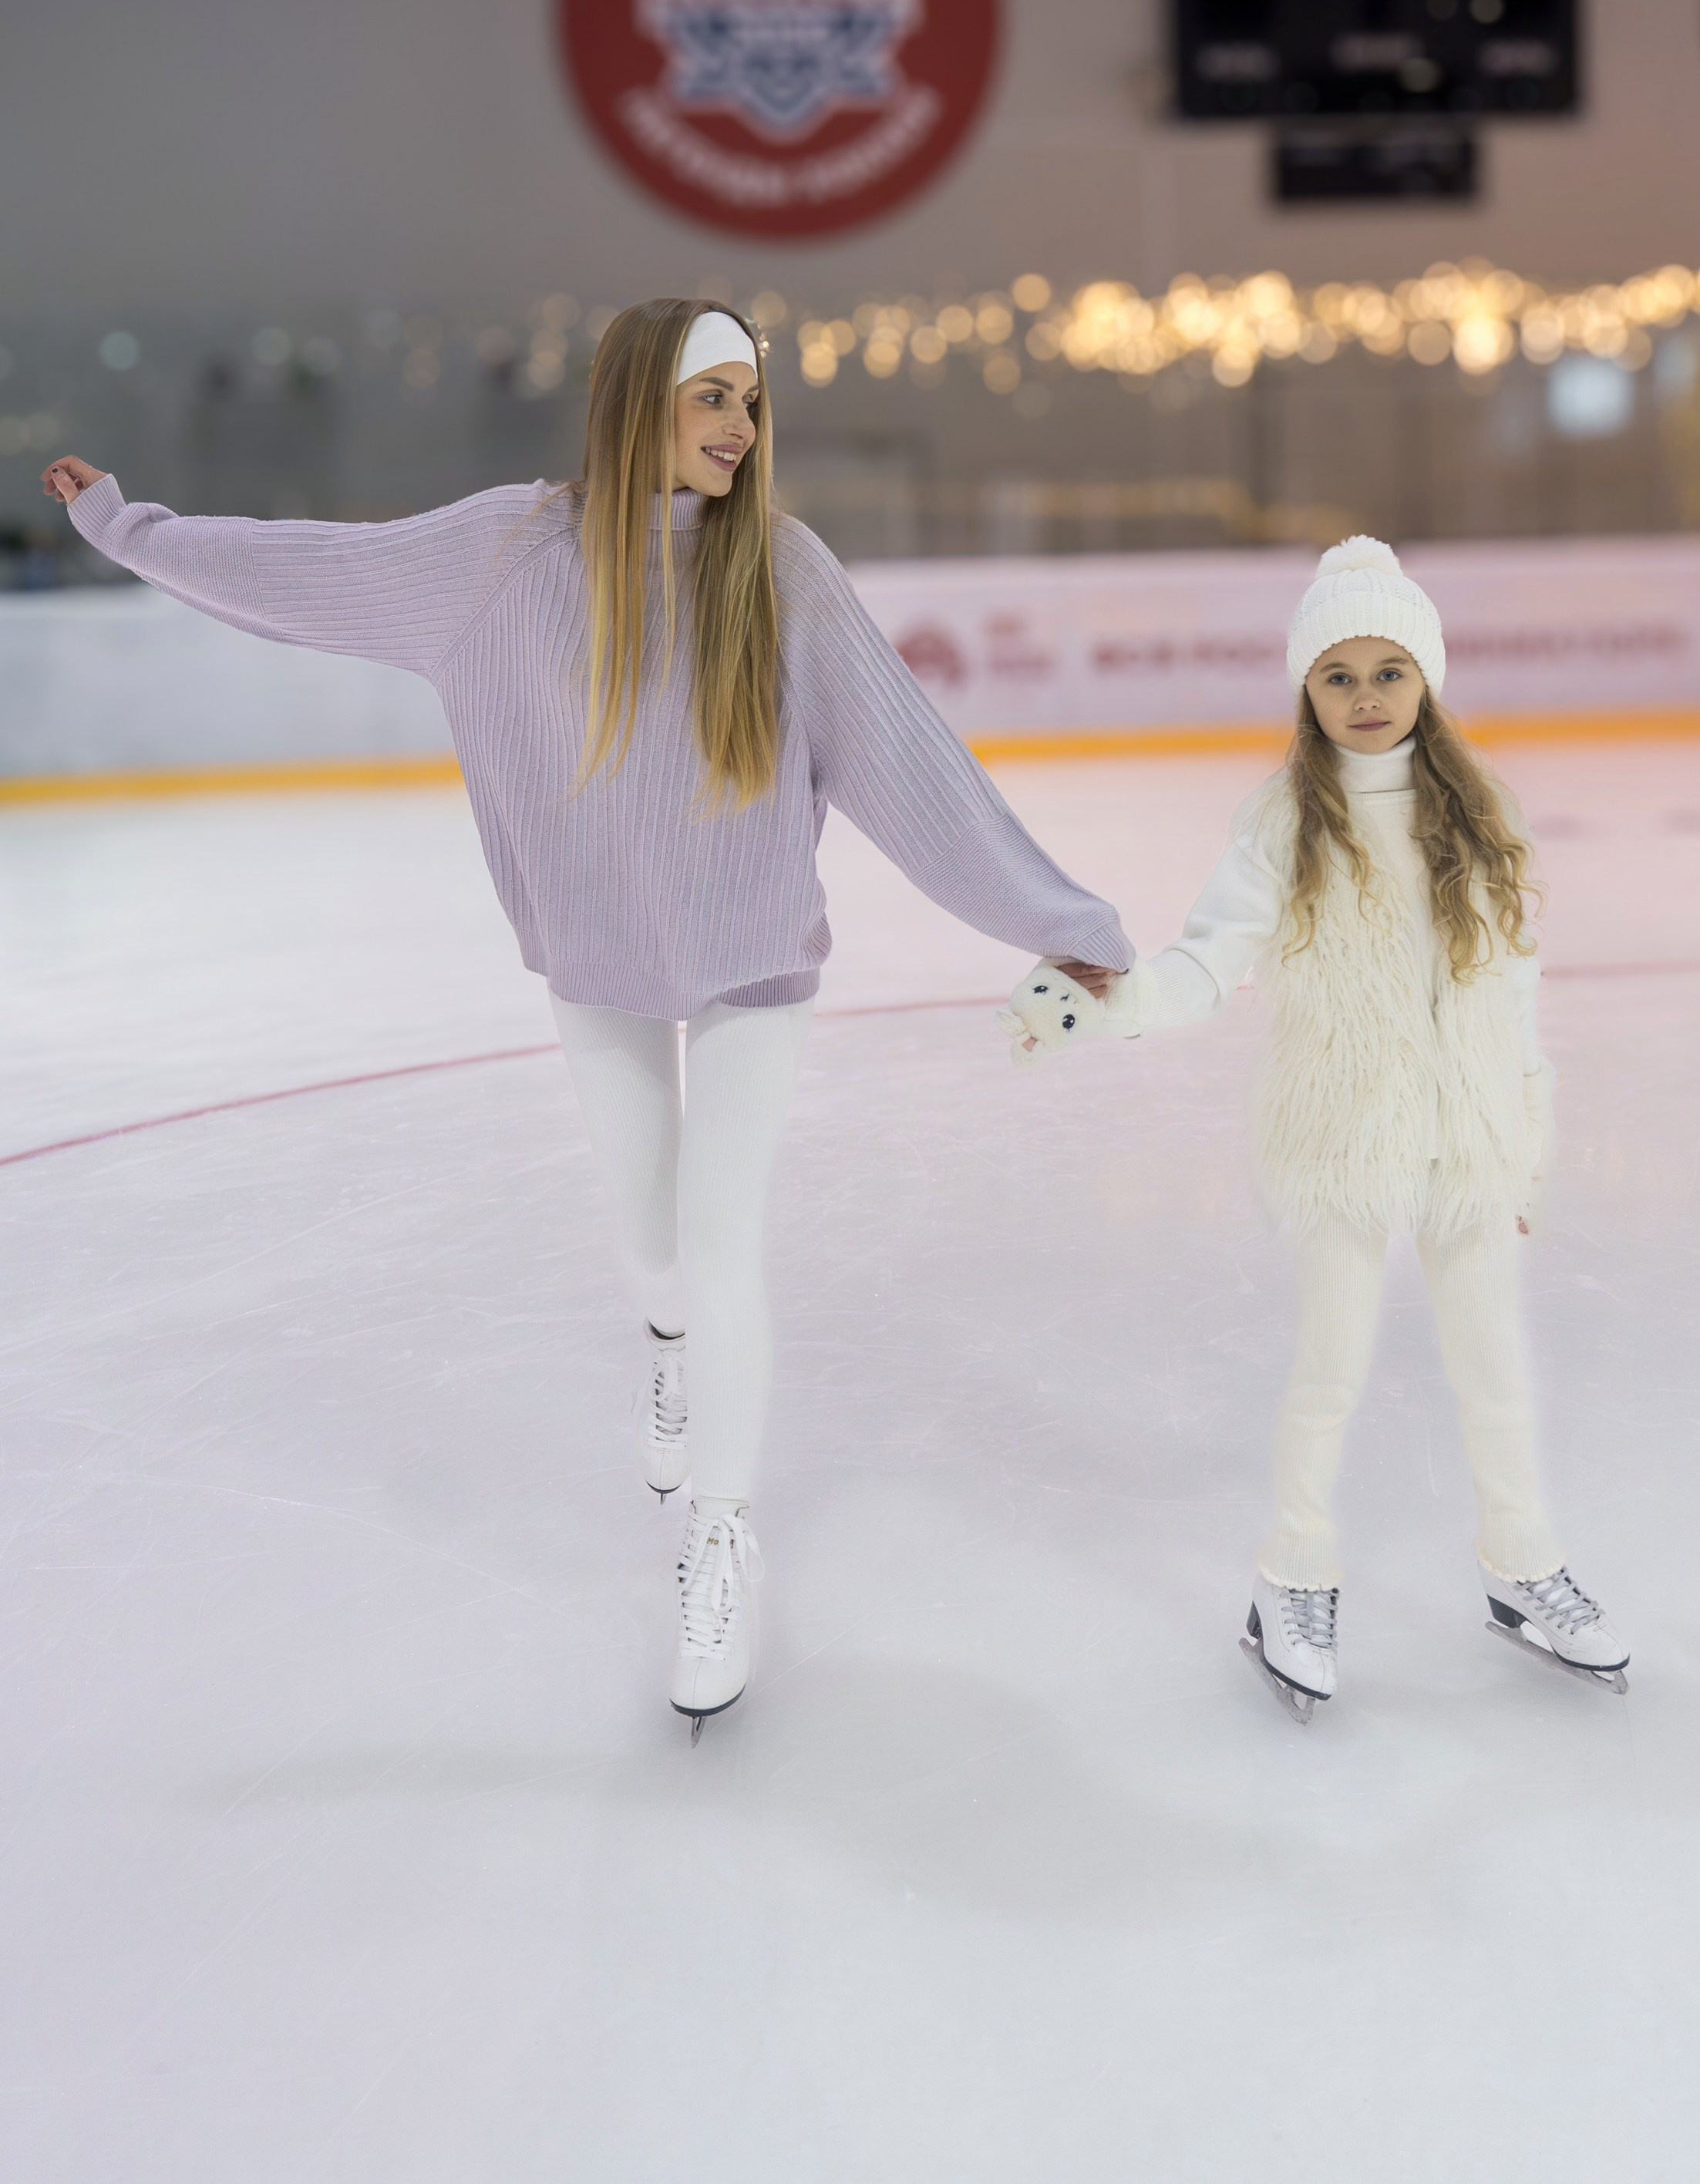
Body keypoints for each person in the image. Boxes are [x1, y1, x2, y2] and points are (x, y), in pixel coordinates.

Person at [43, 297, 1130, 1735]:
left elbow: (917, 771)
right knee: (653, 1249)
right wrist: (129, 529)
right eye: (712, 396)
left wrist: (1068, 926)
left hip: (753, 960)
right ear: (637, 402)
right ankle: (667, 1352)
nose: (741, 426)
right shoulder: (505, 554)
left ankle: (720, 1536)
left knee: (720, 1241)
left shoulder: (780, 569)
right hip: (596, 953)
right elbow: (312, 573)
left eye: (751, 400)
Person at [1000, 537, 1628, 1720]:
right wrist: (1104, 1003)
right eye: (1338, 676)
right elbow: (1205, 964)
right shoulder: (1285, 819)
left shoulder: (1477, 814)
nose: (1365, 696)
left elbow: (1513, 988)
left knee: (1493, 1374)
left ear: (1425, 679)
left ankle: (1520, 1561)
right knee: (1329, 1372)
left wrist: (1526, 1139)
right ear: (1305, 689)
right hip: (1341, 1129)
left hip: (1470, 1132)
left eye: (1389, 672)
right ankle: (1291, 1576)